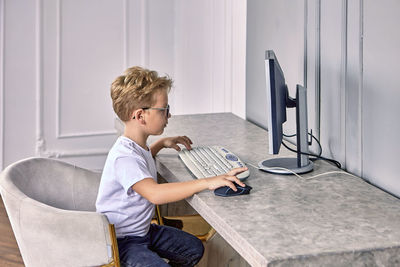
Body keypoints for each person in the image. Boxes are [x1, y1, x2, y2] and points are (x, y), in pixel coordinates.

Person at [96, 66, 248, 267]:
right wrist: (207, 182)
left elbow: (141, 165)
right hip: (122, 241)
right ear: (141, 116)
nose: (169, 115)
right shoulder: (124, 158)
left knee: (193, 249)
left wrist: (161, 143)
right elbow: (155, 194)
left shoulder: (136, 147)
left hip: (143, 231)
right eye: (164, 110)